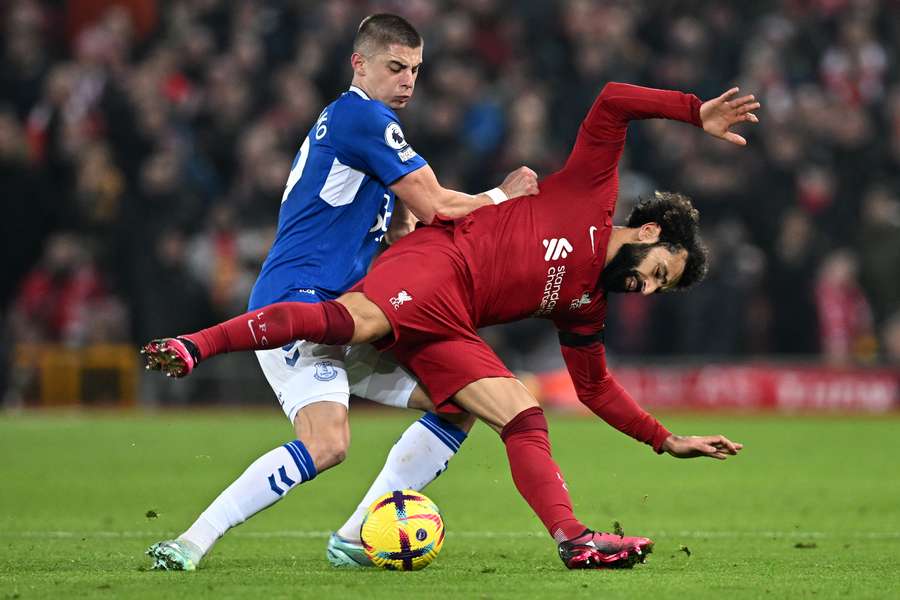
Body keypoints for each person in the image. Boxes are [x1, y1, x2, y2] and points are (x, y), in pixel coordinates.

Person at [144, 81, 757, 569]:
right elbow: (612, 101)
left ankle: (568, 540)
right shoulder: (591, 192)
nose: (645, 288)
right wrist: (692, 112)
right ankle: (198, 343)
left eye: (658, 288)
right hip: (435, 263)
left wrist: (663, 438)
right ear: (649, 233)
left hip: (451, 321)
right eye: (657, 271)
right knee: (347, 323)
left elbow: (594, 387)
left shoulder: (584, 305)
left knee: (518, 411)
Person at [143, 13, 539, 571]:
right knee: (328, 444)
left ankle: (355, 536)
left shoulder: (373, 135)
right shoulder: (362, 118)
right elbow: (438, 206)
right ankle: (191, 541)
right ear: (360, 63)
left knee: (459, 400)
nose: (408, 80)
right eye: (396, 66)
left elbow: (410, 230)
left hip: (352, 314)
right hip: (296, 303)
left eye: (416, 70)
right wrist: (503, 196)